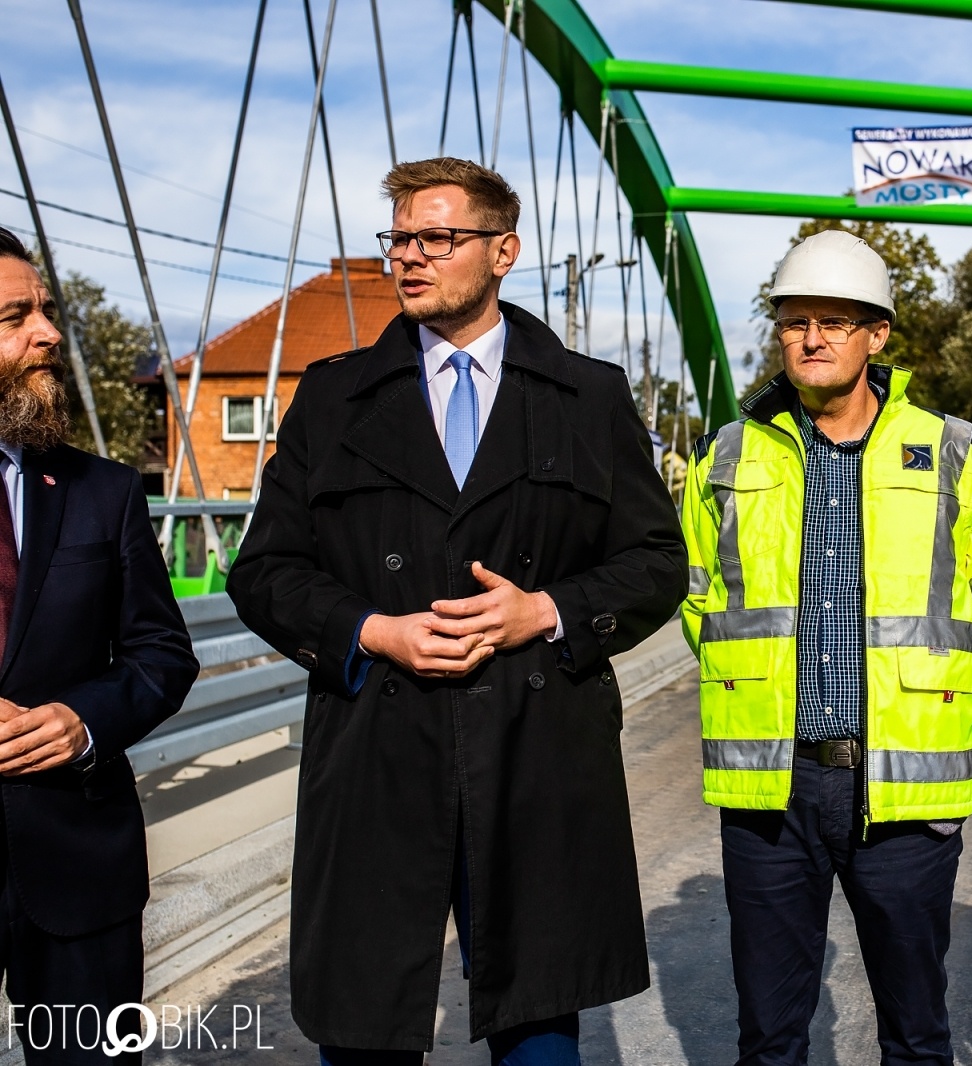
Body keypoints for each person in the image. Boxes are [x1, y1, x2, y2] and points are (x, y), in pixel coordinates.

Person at [227, 158, 687, 1065]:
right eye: (398, 236)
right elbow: (265, 571)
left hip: (537, 748)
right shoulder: (332, 395)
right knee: (363, 1020)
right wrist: (373, 630)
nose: (410, 256)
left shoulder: (587, 396)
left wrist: (548, 611)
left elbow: (656, 562)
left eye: (437, 237)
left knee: (539, 1019)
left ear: (503, 250)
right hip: (376, 753)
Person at [680, 229, 972, 1066]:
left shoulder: (959, 454)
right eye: (797, 321)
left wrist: (930, 703)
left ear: (879, 335)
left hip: (903, 786)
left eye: (837, 321)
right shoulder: (723, 456)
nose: (813, 337)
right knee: (768, 1036)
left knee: (916, 1033)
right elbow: (701, 603)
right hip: (772, 784)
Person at [0, 227, 197, 1061]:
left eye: (45, 310)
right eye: (17, 316)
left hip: (78, 865)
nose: (50, 332)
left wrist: (83, 722)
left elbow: (162, 652)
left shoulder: (103, 490)